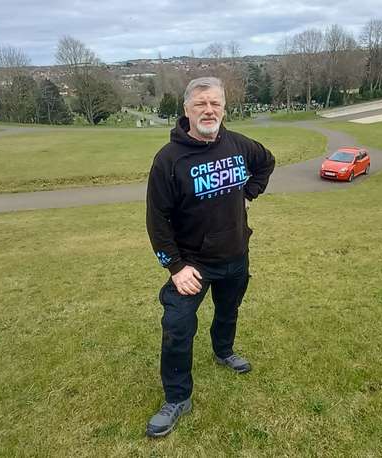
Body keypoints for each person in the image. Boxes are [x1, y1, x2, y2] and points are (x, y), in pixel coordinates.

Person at [145, 76, 275, 438]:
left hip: (236, 252)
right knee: (177, 328)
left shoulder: (237, 143)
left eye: (215, 103)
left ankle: (223, 351)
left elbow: (266, 162)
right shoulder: (169, 160)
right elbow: (157, 220)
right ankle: (177, 398)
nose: (209, 110)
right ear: (186, 110)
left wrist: (250, 192)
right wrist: (174, 266)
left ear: (223, 108)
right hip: (193, 265)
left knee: (228, 310)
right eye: (201, 103)